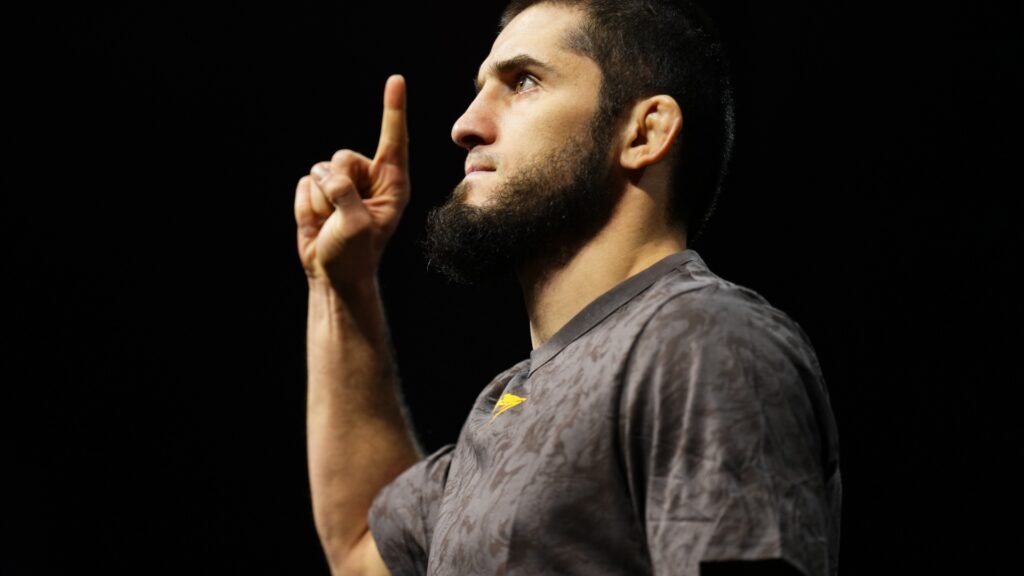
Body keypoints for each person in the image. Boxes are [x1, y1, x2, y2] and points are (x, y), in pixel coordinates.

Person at [294, 1, 841, 575]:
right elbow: (361, 548)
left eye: (523, 81)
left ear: (644, 132)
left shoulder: (704, 342)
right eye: (480, 87)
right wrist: (340, 284)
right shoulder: (508, 399)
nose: (465, 125)